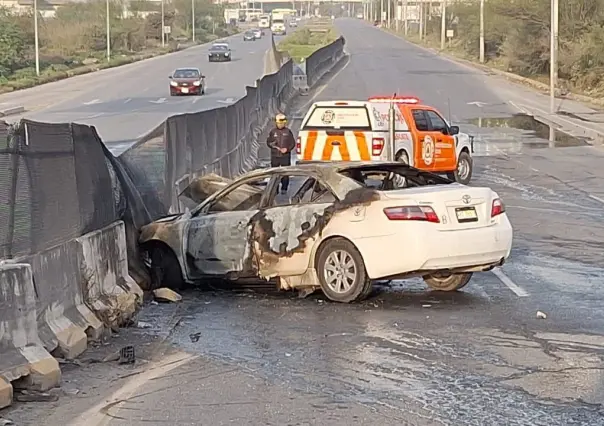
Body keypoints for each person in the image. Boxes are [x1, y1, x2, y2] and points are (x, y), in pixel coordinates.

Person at [266, 113, 296, 193]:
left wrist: (287, 149)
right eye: (279, 123)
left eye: (282, 123)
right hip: (275, 156)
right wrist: (272, 146)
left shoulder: (288, 132)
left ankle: (284, 188)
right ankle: (275, 189)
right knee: (274, 173)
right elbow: (269, 142)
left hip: (285, 156)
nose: (280, 125)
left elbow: (292, 143)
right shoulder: (273, 132)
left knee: (285, 173)